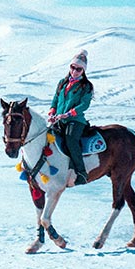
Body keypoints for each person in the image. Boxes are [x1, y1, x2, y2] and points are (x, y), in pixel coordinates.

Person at [48, 49, 93, 186]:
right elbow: (56, 99)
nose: (75, 71)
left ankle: (81, 172)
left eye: (78, 69)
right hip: (59, 119)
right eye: (73, 67)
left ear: (83, 71)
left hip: (75, 120)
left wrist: (68, 114)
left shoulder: (86, 86)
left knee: (71, 139)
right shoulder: (63, 82)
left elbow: (84, 105)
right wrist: (52, 112)